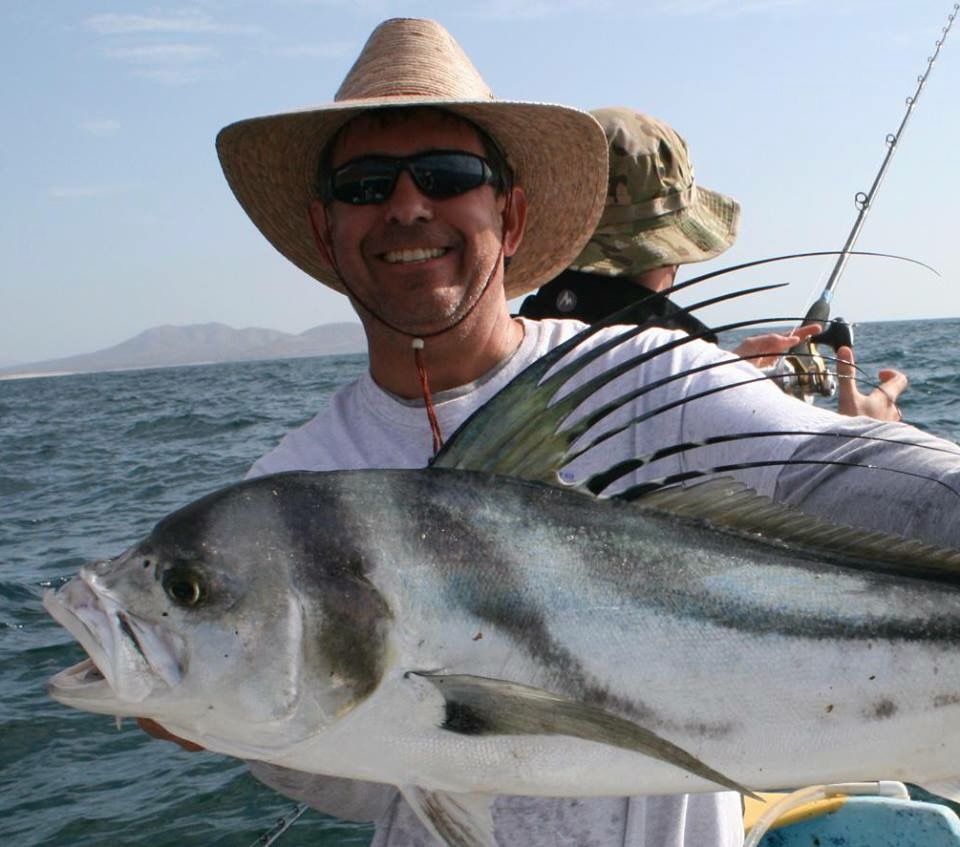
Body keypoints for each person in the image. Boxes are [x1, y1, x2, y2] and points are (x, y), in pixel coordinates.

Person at [140, 17, 960, 847]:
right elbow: (361, 785)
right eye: (365, 184)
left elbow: (842, 466)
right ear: (326, 229)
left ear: (513, 211)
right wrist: (212, 708)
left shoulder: (653, 380)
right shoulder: (286, 494)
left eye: (448, 173)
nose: (408, 204)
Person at [519, 107, 907, 422]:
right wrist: (869, 433)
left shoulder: (513, 353)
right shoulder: (681, 379)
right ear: (671, 248)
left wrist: (725, 371)